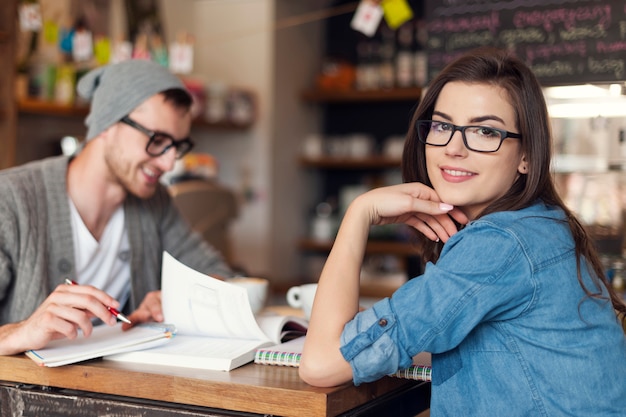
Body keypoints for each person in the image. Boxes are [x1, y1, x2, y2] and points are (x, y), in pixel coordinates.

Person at [299, 47, 626, 415]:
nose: (454, 148)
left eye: (485, 131)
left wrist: (359, 213)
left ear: (527, 156)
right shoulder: (539, 223)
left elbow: (321, 364)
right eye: (442, 126)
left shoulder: (500, 243)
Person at [0, 59, 233, 355]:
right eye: (157, 140)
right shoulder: (10, 201)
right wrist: (21, 332)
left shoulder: (155, 202)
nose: (167, 162)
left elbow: (219, 276)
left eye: (177, 146)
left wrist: (180, 298)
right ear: (108, 123)